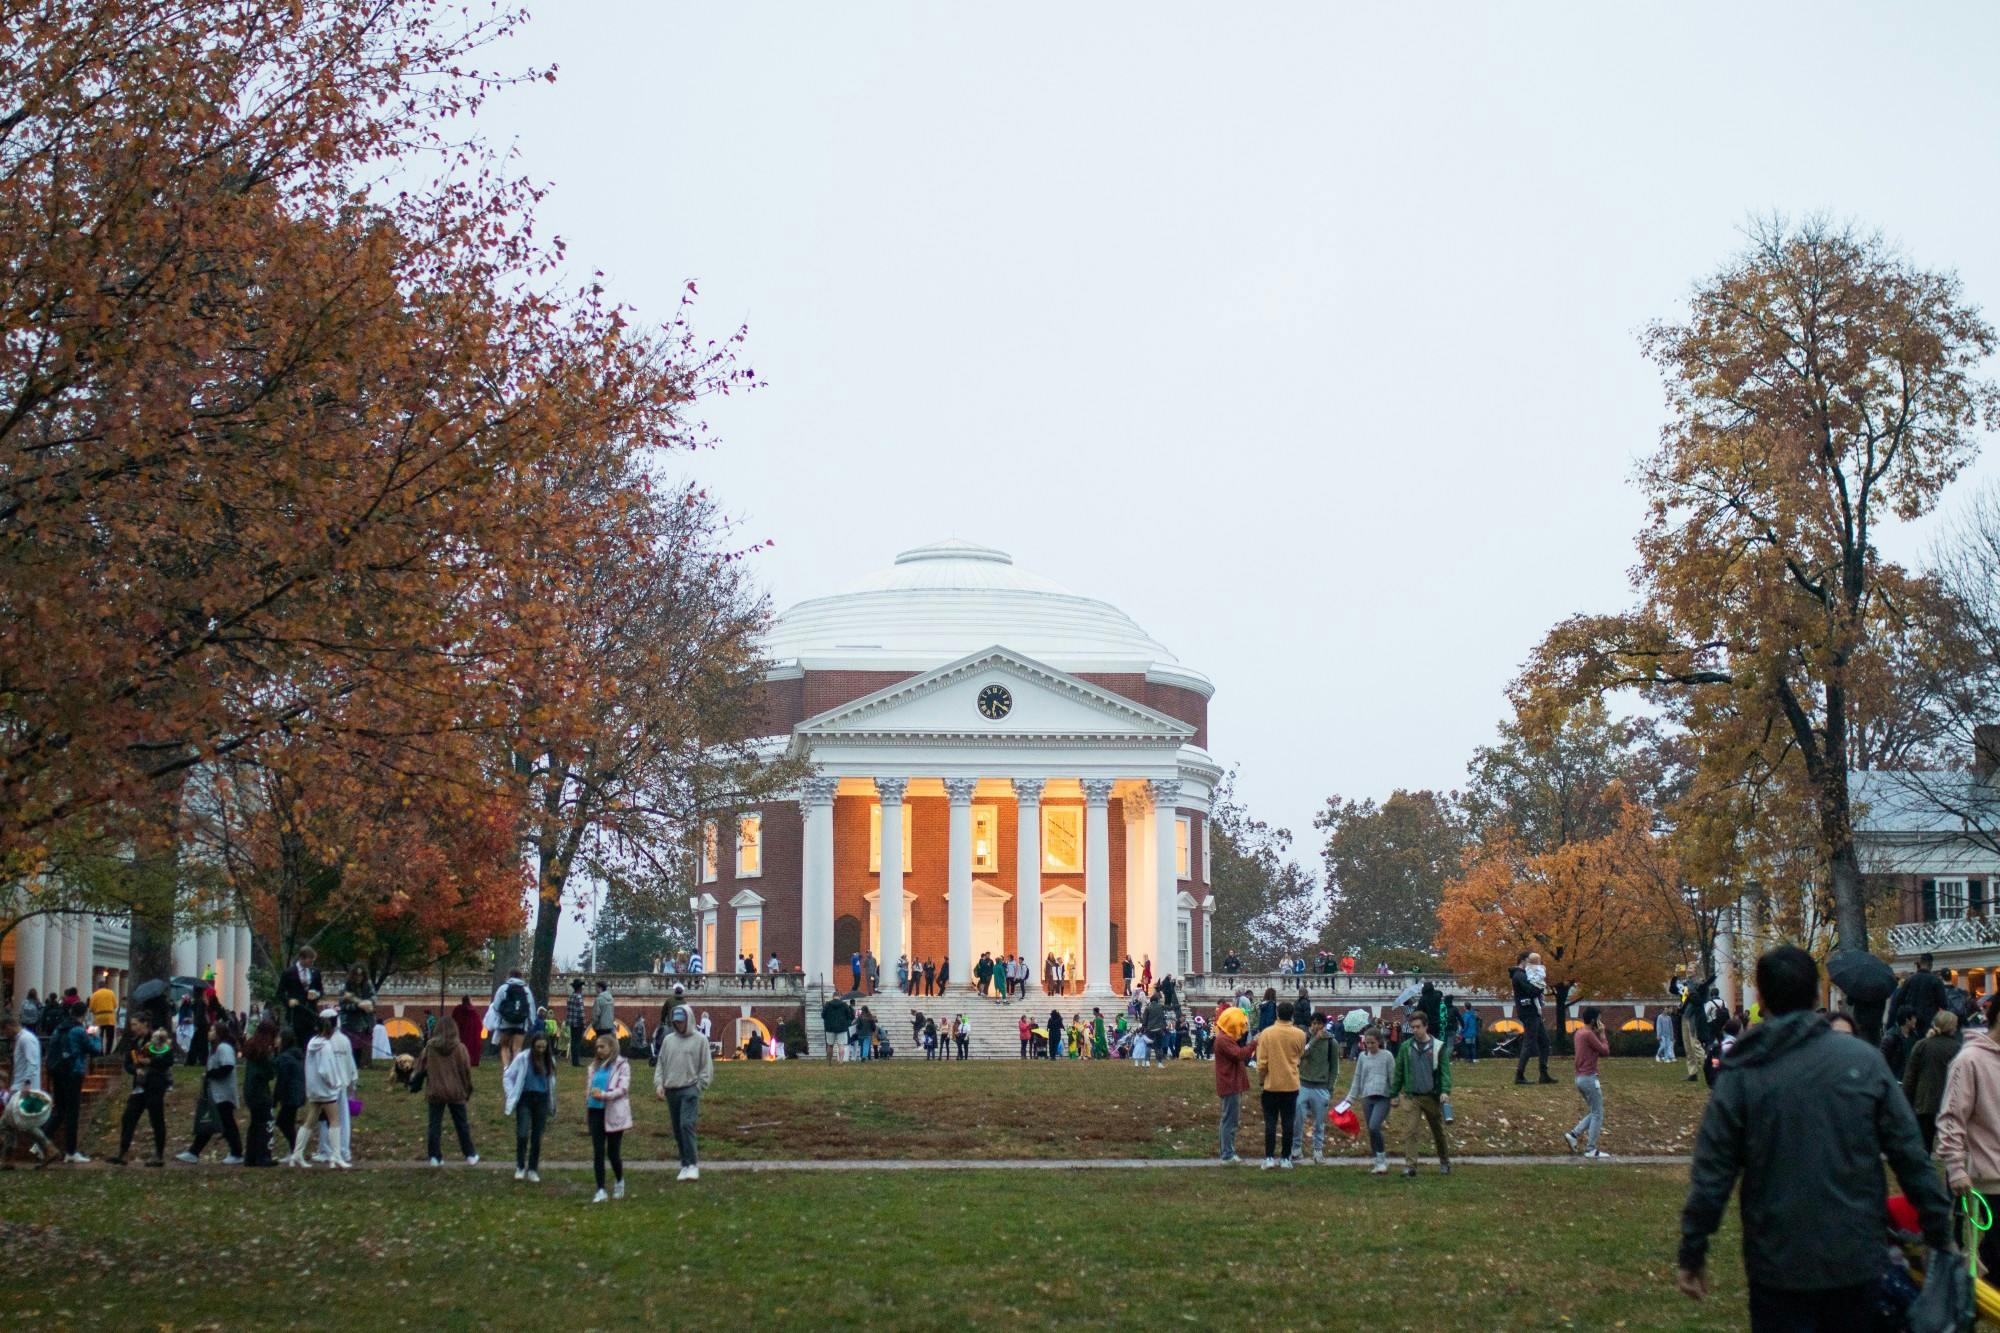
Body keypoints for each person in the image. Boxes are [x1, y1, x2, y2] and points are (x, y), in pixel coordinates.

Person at [1677, 945, 1954, 1329]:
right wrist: (1941, 1233)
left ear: (1762, 997)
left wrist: (1693, 1249)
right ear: (1817, 994)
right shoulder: (1861, 1061)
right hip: (1854, 1257)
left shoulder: (1745, 1070)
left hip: (1781, 1262)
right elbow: (1911, 1157)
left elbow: (1713, 1172)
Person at [1935, 989, 2000, 1280]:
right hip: (1987, 1181)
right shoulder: (1969, 1060)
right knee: (1993, 1260)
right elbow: (1951, 1117)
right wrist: (1956, 1168)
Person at [653, 1004, 714, 1182]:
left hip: (689, 1089)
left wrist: (699, 1086)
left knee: (686, 1125)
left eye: (681, 1021)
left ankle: (693, 1164)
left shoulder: (700, 1040)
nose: (678, 1024)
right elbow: (661, 1064)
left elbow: (706, 1067)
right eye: (676, 1021)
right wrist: (659, 1084)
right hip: (671, 1089)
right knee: (677, 1129)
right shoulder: (668, 1040)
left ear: (688, 1020)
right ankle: (685, 1164)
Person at [290, 1010, 355, 1169]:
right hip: (326, 1090)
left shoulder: (312, 1043)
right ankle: (336, 1155)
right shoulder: (326, 1046)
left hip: (314, 1089)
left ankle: (297, 1153)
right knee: (335, 1121)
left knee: (309, 1121)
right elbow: (326, 1070)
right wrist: (335, 1083)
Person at [1390, 1008, 1451, 1177]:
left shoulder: (1438, 1047)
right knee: (1410, 1131)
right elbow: (1399, 1072)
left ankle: (1445, 1161)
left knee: (1438, 1131)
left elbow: (1445, 1072)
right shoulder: (1406, 1047)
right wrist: (1394, 1094)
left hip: (1431, 1095)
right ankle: (1411, 1166)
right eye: (1413, 1027)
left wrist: (1445, 1091)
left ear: (1426, 1027)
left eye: (1418, 1027)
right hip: (1411, 1096)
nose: (1415, 1030)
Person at [177, 1015, 243, 1164]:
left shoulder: (223, 1048)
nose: (209, 1032)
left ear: (219, 1032)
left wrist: (209, 1074)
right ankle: (195, 1152)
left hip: (224, 1094)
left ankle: (236, 1153)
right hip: (217, 1093)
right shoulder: (215, 1048)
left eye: (212, 1030)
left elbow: (227, 1067)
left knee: (226, 1123)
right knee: (216, 1122)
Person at [414, 1016, 478, 1167]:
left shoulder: (430, 1048)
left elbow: (421, 1068)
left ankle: (435, 1157)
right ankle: (469, 1154)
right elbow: (465, 1071)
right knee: (461, 1124)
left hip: (435, 1091)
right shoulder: (460, 1048)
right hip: (456, 1091)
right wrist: (467, 1089)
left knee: (434, 1125)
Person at [110, 1021, 174, 1166]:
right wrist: (134, 1070)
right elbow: (128, 1062)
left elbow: (168, 1060)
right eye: (131, 1025)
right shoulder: (134, 1042)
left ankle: (159, 1155)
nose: (133, 1028)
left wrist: (149, 1062)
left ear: (145, 1024)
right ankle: (123, 1152)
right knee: (128, 1117)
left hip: (155, 1084)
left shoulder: (157, 1039)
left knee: (156, 1118)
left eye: (135, 1024)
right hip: (139, 1085)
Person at [1901, 1008, 1962, 1153]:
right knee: (1951, 1150)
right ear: (1952, 1027)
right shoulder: (1957, 1048)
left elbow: (1910, 1077)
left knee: (1924, 1147)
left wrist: (1906, 1101)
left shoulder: (1922, 1045)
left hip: (1924, 1103)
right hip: (1949, 1104)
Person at [46, 999, 100, 1163]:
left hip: (57, 1072)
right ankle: (71, 1151)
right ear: (84, 1014)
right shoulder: (78, 1031)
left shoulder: (59, 1029)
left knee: (59, 1110)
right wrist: (95, 1036)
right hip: (73, 1073)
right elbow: (96, 1050)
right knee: (72, 1113)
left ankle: (41, 1142)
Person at [1255, 1000, 1305, 1170]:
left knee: (1270, 1122)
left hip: (1271, 1083)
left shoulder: (1267, 1034)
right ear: (1292, 1015)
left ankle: (1269, 1157)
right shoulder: (1299, 1034)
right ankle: (1285, 1157)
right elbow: (1300, 1055)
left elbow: (1262, 1062)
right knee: (1288, 1122)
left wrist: (1262, 1079)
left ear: (1277, 1013)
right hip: (1291, 1083)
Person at [503, 1029, 557, 1182]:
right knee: (522, 1133)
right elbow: (508, 1076)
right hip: (525, 1099)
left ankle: (533, 1168)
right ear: (532, 1045)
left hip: (541, 1099)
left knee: (537, 1136)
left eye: (543, 1047)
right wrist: (510, 1093)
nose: (540, 1050)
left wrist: (551, 1103)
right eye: (538, 1047)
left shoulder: (550, 1061)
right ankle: (520, 1166)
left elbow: (552, 1085)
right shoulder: (522, 1058)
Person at [584, 1032, 631, 1203]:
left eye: (602, 1046)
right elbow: (589, 1089)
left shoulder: (622, 1066)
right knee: (598, 1152)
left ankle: (619, 1180)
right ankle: (601, 1189)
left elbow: (623, 1089)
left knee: (613, 1153)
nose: (599, 1050)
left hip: (613, 1112)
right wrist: (588, 1105)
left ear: (612, 1047)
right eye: (597, 1047)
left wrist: (604, 1095)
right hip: (595, 1111)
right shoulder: (593, 1067)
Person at [1564, 1006, 1611, 1160]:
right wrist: (1603, 1034)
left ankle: (1573, 1134)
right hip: (1589, 1078)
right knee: (1598, 1113)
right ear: (1593, 1020)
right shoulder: (1589, 1034)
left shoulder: (1579, 1033)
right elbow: (1605, 1051)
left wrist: (1597, 1033)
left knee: (1594, 1111)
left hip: (1579, 1078)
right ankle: (1591, 1149)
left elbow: (1590, 1046)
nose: (1600, 1022)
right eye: (1599, 1019)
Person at [1347, 1027, 1395, 1174]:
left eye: (1372, 1043)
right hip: (1367, 1097)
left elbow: (1392, 1076)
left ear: (1379, 1042)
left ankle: (1381, 1160)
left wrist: (1395, 1095)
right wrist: (1350, 1098)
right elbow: (1357, 1077)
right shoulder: (1362, 1057)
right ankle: (1377, 1161)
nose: (1369, 1046)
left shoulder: (1387, 1056)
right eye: (1367, 1043)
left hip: (1383, 1097)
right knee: (1371, 1130)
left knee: (1374, 1126)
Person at [1294, 1012, 1338, 1165]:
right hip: (1303, 1084)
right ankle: (1296, 1148)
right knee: (1298, 1119)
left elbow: (1334, 1067)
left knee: (1319, 1123)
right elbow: (1301, 1054)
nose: (1315, 1027)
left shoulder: (1332, 1042)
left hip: (1321, 1087)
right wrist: (1314, 1040)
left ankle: (1318, 1150)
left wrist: (1329, 1089)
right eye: (1313, 1023)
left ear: (1324, 1025)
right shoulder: (1305, 1039)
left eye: (1318, 1023)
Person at [1213, 1004, 1253, 1163]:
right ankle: (1227, 1154)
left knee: (1228, 1119)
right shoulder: (1224, 1040)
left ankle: (1227, 1151)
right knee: (1230, 1120)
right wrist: (1253, 1044)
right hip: (1230, 1084)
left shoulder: (1224, 1038)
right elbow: (1239, 1055)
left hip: (1231, 1083)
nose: (1242, 1029)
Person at [1509, 950, 1553, 1085]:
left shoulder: (1524, 975)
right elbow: (1532, 991)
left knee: (1544, 1042)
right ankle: (1519, 1075)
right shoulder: (1519, 976)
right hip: (1529, 1013)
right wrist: (1540, 985)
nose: (1535, 964)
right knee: (1529, 1043)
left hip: (1533, 1012)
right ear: (1523, 960)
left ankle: (1543, 1074)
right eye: (1531, 960)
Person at [1887, 952, 1952, 1042]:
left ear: (1920, 963)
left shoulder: (1910, 980)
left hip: (1912, 1022)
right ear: (1931, 965)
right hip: (1929, 1023)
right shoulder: (1936, 981)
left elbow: (1898, 1000)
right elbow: (1944, 1004)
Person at [240, 1020, 279, 1167]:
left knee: (255, 1124)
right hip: (261, 1092)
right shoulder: (264, 1051)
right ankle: (263, 1156)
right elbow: (270, 1073)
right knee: (263, 1124)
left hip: (250, 1090)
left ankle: (250, 1156)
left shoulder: (252, 1047)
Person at [487, 969, 534, 1070]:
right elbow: (531, 1008)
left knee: (505, 1047)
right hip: (521, 1024)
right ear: (521, 977)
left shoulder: (503, 988)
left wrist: (499, 1019)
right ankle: (516, 1070)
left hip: (505, 1023)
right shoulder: (526, 990)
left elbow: (496, 1006)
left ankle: (506, 1068)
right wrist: (531, 1022)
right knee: (517, 1048)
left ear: (509, 976)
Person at [277, 947, 323, 1047]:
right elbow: (280, 993)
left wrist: (317, 994)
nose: (311, 964)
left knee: (310, 1042)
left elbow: (321, 990)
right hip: (295, 1015)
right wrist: (288, 1001)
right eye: (310, 961)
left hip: (310, 1014)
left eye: (313, 961)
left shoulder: (315, 972)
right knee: (296, 1043)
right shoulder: (289, 972)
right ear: (302, 958)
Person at [274, 1030, 306, 1164]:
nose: (276, 1040)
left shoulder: (285, 1058)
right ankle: (294, 1150)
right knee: (288, 1122)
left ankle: (295, 1149)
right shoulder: (295, 1055)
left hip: (290, 1094)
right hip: (297, 1092)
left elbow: (283, 1079)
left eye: (278, 1038)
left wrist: (275, 1098)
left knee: (282, 1121)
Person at [337, 963, 375, 1068]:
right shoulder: (345, 986)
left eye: (361, 975)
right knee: (350, 1050)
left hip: (365, 1023)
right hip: (350, 1023)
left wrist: (368, 1003)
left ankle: (356, 1073)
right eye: (356, 975)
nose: (359, 977)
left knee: (360, 1052)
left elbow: (374, 998)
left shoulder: (368, 985)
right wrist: (357, 1006)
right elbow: (342, 1005)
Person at [451, 994, 482, 1067]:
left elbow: (454, 1020)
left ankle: (459, 1061)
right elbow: (478, 1024)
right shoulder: (473, 1012)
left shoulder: (457, 1010)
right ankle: (471, 1061)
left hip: (460, 1034)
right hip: (471, 1035)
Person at [821, 993, 852, 1062]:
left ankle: (829, 1061)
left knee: (830, 1045)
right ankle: (841, 1061)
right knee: (841, 1045)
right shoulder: (844, 1005)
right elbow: (849, 1016)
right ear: (840, 996)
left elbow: (823, 1015)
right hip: (842, 1027)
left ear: (833, 996)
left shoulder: (827, 1004)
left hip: (830, 1028)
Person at [566, 979, 588, 1067]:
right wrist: (584, 1023)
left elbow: (568, 1011)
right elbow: (581, 1012)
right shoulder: (579, 997)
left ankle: (574, 1061)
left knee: (573, 1042)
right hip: (578, 1023)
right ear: (579, 988)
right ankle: (577, 1061)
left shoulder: (571, 997)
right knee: (577, 1043)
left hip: (571, 1023)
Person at [591, 980, 616, 1050]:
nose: (595, 989)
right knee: (607, 1046)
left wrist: (593, 1024)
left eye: (596, 987)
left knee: (600, 1047)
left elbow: (596, 1014)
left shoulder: (599, 999)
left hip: (600, 1027)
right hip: (609, 1026)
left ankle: (601, 1060)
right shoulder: (611, 999)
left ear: (600, 988)